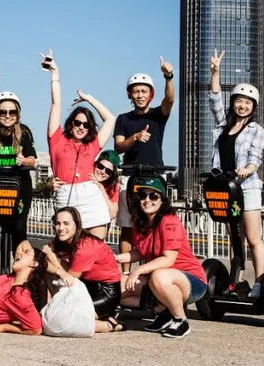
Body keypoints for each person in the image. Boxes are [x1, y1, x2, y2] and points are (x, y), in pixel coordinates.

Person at [209, 49, 264, 298]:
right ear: (233, 102)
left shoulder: (256, 130)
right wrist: (215, 72)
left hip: (248, 188)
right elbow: (214, 100)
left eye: (248, 102)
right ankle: (236, 281)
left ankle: (260, 283)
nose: (242, 105)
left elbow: (256, 157)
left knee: (253, 238)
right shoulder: (223, 126)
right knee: (235, 238)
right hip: (227, 187)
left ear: (253, 107)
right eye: (238, 101)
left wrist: (248, 169)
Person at [117, 176, 207, 339]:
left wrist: (138, 270)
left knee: (159, 276)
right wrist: (116, 258)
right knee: (115, 288)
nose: (147, 200)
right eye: (143, 195)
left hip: (191, 280)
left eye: (153, 196)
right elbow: (140, 251)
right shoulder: (140, 222)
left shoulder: (169, 221)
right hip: (158, 280)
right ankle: (161, 310)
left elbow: (168, 260)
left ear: (162, 200)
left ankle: (180, 320)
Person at [43, 49, 117, 238]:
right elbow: (55, 104)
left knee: (95, 249)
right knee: (68, 251)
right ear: (71, 123)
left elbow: (110, 119)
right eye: (78, 122)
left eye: (86, 124)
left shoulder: (92, 144)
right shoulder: (57, 139)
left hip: (90, 196)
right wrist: (55, 74)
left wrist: (89, 99)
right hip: (65, 193)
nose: (81, 127)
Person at [113, 57, 175, 276]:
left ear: (151, 94)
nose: (140, 95)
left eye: (144, 91)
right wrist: (135, 138)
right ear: (130, 94)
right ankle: (126, 274)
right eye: (135, 91)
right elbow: (119, 147)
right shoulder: (123, 119)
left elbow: (169, 100)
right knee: (128, 228)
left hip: (155, 175)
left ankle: (149, 271)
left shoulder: (158, 115)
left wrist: (168, 76)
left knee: (154, 226)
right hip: (130, 176)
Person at [0, 91, 37, 281]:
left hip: (19, 185)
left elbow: (33, 160)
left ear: (17, 114)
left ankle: (18, 274)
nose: (7, 116)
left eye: (12, 112)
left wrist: (23, 161)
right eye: (3, 112)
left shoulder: (24, 132)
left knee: (19, 228)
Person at [40, 207, 123, 335]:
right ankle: (53, 303)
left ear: (77, 224)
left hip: (105, 293)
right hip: (86, 285)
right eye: (58, 223)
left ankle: (108, 324)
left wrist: (54, 260)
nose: (61, 228)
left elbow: (70, 281)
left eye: (66, 223)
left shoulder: (85, 246)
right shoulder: (62, 240)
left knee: (61, 319)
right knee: (46, 264)